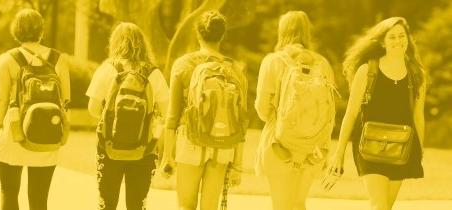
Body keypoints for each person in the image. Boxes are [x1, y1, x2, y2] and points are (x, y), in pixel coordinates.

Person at [329, 17, 426, 210]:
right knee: (379, 206)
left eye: (401, 36)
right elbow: (351, 114)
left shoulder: (417, 74)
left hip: (401, 149)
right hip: (369, 148)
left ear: (408, 38)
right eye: (392, 37)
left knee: (385, 207)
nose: (398, 41)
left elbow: (418, 116)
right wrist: (338, 153)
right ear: (382, 42)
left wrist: (419, 151)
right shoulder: (367, 71)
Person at [0, 8, 71, 210]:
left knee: (9, 194)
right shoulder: (58, 59)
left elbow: (1, 102)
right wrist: (61, 135)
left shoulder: (7, 59)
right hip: (47, 137)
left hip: (14, 137)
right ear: (41, 30)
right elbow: (65, 102)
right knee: (39, 200)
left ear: (16, 30)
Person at [160, 10, 248, 210]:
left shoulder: (183, 65)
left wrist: (167, 155)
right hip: (223, 143)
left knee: (187, 206)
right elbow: (241, 121)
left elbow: (172, 116)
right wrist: (238, 163)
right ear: (222, 35)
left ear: (198, 34)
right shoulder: (235, 70)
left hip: (190, 140)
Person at [254, 11, 337, 210]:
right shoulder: (322, 64)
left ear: (282, 31)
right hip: (312, 147)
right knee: (299, 204)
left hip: (279, 144)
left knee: (281, 205)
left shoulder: (273, 61)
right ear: (307, 32)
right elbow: (330, 111)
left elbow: (262, 109)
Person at [86, 22, 169, 210]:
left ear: (115, 43)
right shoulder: (153, 73)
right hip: (144, 149)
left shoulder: (107, 69)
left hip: (109, 147)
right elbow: (166, 112)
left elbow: (92, 108)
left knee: (107, 202)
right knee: (137, 204)